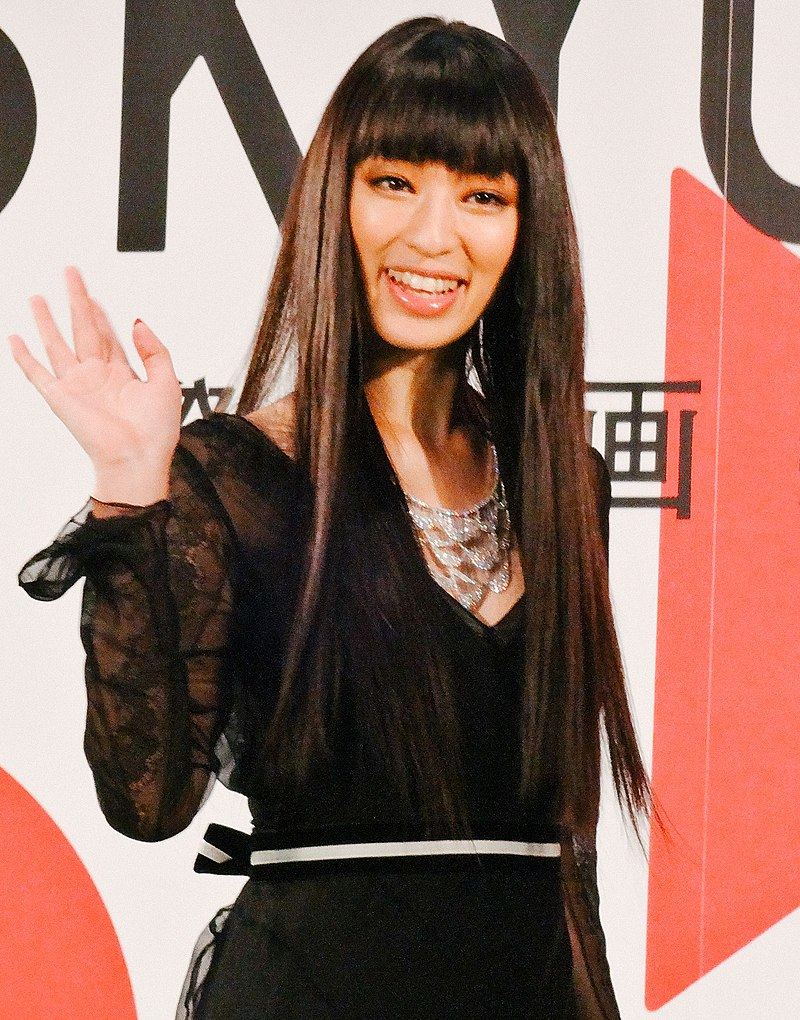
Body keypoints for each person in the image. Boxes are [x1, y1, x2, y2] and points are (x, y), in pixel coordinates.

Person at [11, 17, 650, 1020]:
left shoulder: (566, 485)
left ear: (527, 229)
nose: (433, 235)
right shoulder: (235, 477)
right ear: (333, 200)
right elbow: (147, 801)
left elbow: (568, 846)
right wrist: (132, 487)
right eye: (394, 182)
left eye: (482, 196)